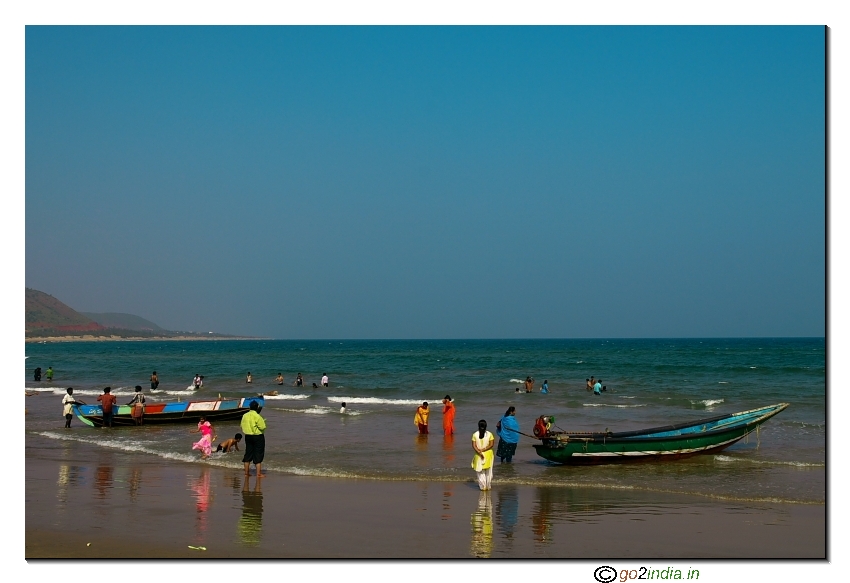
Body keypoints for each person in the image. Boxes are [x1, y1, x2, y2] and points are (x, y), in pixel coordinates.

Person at [241, 401, 267, 477]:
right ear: (257, 408)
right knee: (258, 454)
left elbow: (241, 425)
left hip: (248, 436)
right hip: (257, 436)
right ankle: (258, 473)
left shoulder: (245, 415)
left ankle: (246, 473)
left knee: (248, 453)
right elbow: (262, 427)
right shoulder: (258, 416)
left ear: (250, 407)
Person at [471, 420, 495, 491]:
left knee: (480, 472)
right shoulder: (489, 434)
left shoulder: (475, 434)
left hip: (478, 455)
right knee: (489, 472)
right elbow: (491, 445)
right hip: (488, 455)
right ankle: (488, 486)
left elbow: (474, 446)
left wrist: (479, 452)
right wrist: (484, 450)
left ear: (478, 426)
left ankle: (483, 487)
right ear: (486, 426)